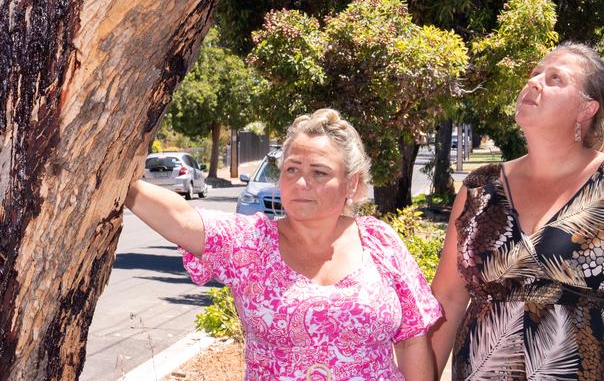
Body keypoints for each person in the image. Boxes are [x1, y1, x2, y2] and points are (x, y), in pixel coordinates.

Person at [126, 108, 442, 380]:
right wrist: (119, 183)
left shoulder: (380, 243)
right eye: (292, 169)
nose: (301, 183)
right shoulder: (249, 243)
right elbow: (180, 218)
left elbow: (412, 340)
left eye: (319, 172)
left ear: (352, 183)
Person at [430, 42, 604, 380]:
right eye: (534, 74)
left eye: (554, 79)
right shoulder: (479, 189)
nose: (533, 83)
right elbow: (447, 299)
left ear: (586, 109)